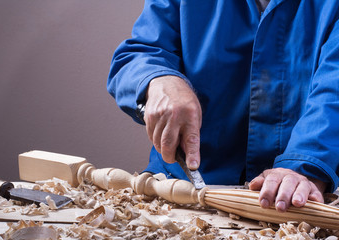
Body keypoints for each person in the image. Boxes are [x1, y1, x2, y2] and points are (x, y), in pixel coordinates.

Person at [107, 0, 339, 212]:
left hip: (294, 205)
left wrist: (304, 167)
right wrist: (158, 80)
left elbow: (334, 91)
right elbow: (141, 52)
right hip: (175, 195)